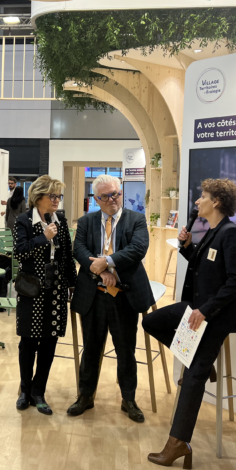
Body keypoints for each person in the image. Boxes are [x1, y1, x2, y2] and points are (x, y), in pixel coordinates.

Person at [142, 179, 236, 470]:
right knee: (152, 322)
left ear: (216, 202)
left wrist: (206, 310)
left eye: (202, 197)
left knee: (192, 378)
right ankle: (195, 359)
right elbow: (204, 268)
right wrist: (188, 247)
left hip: (219, 315)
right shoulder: (213, 231)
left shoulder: (230, 233)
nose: (197, 202)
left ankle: (178, 443)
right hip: (199, 308)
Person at [68, 174, 151, 423]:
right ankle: (85, 396)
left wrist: (108, 261)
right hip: (93, 295)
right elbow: (79, 249)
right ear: (96, 199)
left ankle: (129, 399)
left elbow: (137, 249)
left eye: (115, 194)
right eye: (105, 196)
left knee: (126, 350)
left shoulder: (136, 219)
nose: (112, 199)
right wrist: (101, 271)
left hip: (124, 296)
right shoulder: (86, 221)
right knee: (91, 348)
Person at [13, 175, 77, 414]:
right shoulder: (23, 221)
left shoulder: (60, 219)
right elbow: (20, 253)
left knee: (49, 342)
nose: (57, 200)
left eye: (59, 196)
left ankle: (38, 392)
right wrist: (43, 238)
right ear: (38, 197)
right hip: (31, 289)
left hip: (56, 289)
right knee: (28, 343)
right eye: (53, 196)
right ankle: (24, 390)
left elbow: (67, 255)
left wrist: (73, 284)